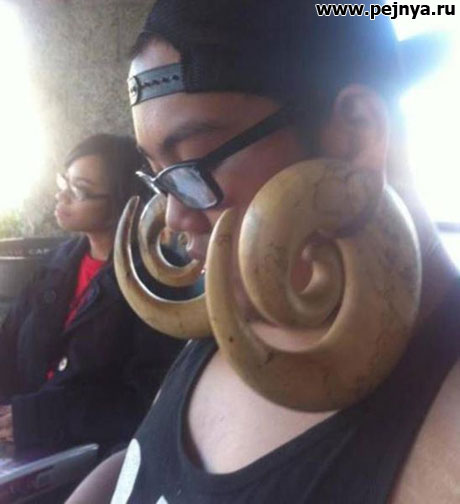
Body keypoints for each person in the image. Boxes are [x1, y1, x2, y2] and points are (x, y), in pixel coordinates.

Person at [67, 1, 460, 503]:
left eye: (192, 166)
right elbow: (148, 463)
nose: (175, 219)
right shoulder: (230, 320)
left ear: (354, 136)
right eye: (160, 178)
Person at [0, 133, 185, 456]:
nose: (61, 196)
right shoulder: (54, 266)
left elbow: (147, 399)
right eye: (64, 182)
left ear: (121, 201)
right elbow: (8, 346)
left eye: (80, 190)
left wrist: (38, 419)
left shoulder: (155, 278)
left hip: (91, 459)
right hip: (17, 446)